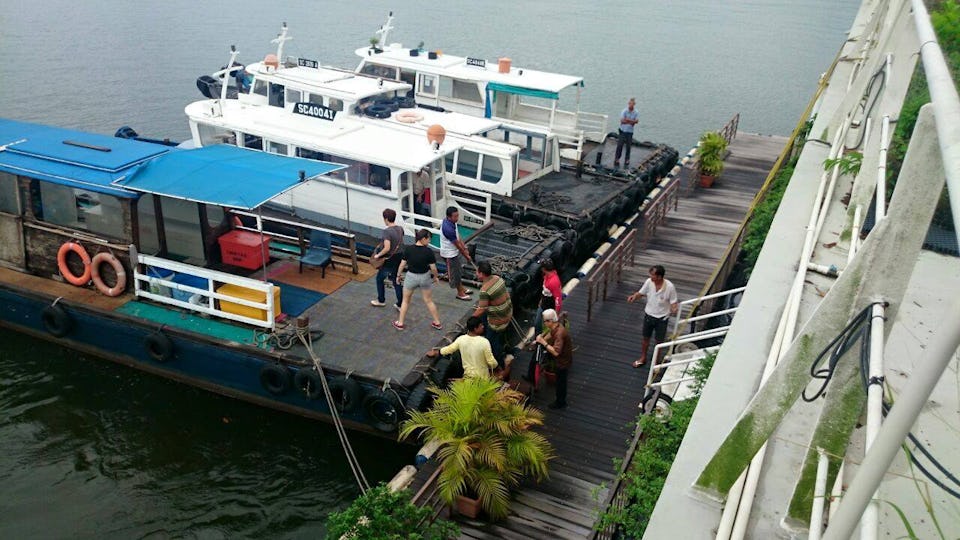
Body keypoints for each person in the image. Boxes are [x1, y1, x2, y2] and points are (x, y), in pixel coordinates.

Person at [627, 264, 679, 367]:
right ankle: (643, 358)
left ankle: (656, 362)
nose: (651, 277)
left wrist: (674, 308)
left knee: (659, 342)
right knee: (645, 338)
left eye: (653, 275)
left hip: (662, 319)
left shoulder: (669, 287)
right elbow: (641, 293)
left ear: (659, 277)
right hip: (649, 315)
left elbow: (674, 302)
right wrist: (634, 297)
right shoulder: (648, 282)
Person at [394, 229, 443, 331]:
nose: (429, 241)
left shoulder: (409, 249)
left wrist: (398, 276)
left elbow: (402, 264)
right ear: (423, 238)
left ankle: (400, 323)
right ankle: (437, 322)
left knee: (405, 301)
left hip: (411, 277)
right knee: (429, 300)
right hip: (425, 277)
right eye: (429, 239)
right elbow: (433, 268)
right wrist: (436, 277)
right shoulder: (428, 252)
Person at [427, 316, 498, 379]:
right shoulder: (484, 342)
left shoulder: (461, 339)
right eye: (481, 325)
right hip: (482, 378)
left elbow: (448, 349)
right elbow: (491, 362)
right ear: (475, 328)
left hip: (468, 377)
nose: (483, 326)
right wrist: (497, 367)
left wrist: (436, 352)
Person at [473, 260, 513, 368]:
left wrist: (471, 318)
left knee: (491, 343)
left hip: (498, 320)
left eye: (477, 272)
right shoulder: (498, 278)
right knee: (484, 318)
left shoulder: (484, 290)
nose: (476, 274)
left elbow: (481, 309)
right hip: (508, 312)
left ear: (481, 274)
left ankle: (500, 364)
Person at [535, 309, 573, 409]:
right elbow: (551, 334)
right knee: (560, 380)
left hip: (562, 361)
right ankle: (560, 400)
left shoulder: (559, 334)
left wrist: (543, 342)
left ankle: (560, 402)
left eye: (545, 321)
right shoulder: (556, 326)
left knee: (561, 382)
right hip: (563, 359)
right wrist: (542, 339)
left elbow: (556, 352)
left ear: (550, 321)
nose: (544, 323)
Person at [370, 209, 404, 309]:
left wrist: (377, 255)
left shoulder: (387, 232)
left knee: (379, 278)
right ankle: (400, 304)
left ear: (386, 219)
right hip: (399, 256)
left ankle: (381, 300)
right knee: (396, 280)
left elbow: (387, 248)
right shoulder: (400, 229)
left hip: (389, 259)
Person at [440, 206, 474, 301]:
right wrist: (466, 256)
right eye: (455, 216)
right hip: (449, 254)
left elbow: (458, 236)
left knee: (458, 271)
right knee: (455, 274)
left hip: (454, 252)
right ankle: (460, 293)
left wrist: (465, 247)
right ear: (449, 217)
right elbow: (457, 244)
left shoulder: (452, 222)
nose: (457, 218)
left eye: (457, 215)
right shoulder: (448, 229)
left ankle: (462, 288)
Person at [533, 259, 563, 333]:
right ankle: (538, 339)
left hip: (549, 305)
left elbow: (558, 299)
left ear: (543, 269)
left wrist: (556, 314)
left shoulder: (553, 282)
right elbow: (545, 291)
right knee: (537, 324)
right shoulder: (546, 276)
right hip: (544, 302)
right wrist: (541, 300)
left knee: (544, 325)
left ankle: (542, 340)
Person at [614, 98, 639, 168]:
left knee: (628, 146)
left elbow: (636, 121)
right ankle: (617, 158)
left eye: (632, 104)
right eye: (630, 103)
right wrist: (632, 121)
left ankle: (627, 159)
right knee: (620, 145)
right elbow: (622, 121)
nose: (631, 105)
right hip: (623, 131)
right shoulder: (624, 111)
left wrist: (627, 120)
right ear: (628, 103)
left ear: (634, 104)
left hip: (630, 132)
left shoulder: (636, 112)